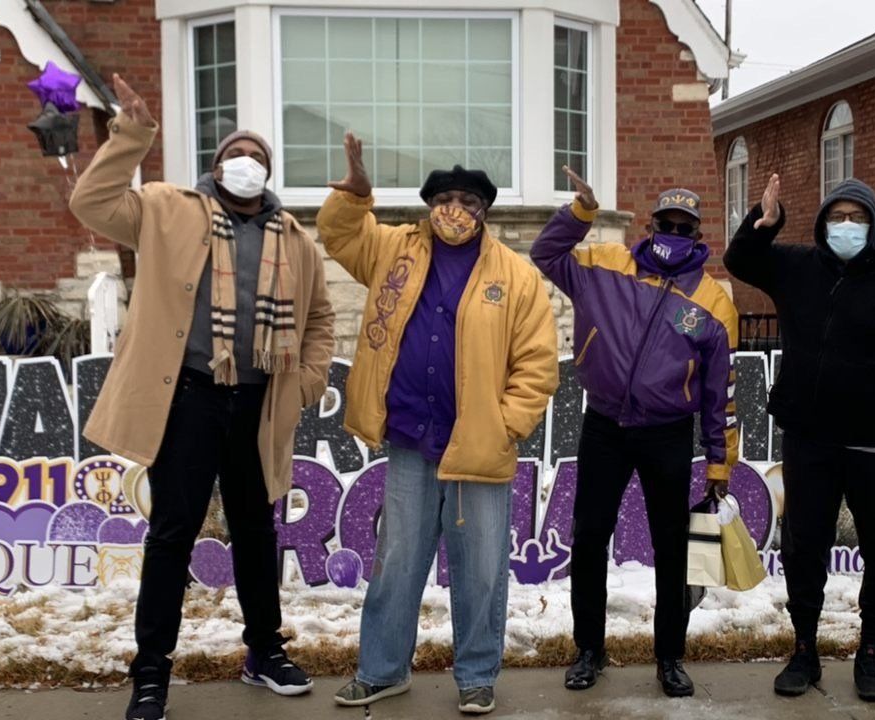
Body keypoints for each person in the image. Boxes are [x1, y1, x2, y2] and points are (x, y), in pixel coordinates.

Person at [69, 75, 335, 720]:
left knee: (253, 532)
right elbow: (92, 202)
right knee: (172, 535)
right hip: (186, 399)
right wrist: (131, 135)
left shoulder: (295, 241)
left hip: (257, 404)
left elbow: (321, 320)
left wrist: (304, 381)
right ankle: (152, 673)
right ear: (217, 166)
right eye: (236, 154)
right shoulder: (166, 208)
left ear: (269, 173)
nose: (247, 164)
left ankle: (264, 651)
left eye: (259, 158)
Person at [317, 133, 558, 715]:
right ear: (429, 206)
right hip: (410, 439)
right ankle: (380, 670)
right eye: (446, 198)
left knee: (480, 571)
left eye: (469, 201)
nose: (456, 210)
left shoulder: (515, 276)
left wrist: (506, 425)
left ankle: (477, 676)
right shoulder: (394, 250)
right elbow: (341, 233)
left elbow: (537, 362)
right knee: (396, 561)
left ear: (484, 212)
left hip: (479, 447)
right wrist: (353, 195)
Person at [724, 174, 875, 702]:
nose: (846, 226)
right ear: (823, 225)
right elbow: (741, 262)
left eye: (857, 217)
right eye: (836, 217)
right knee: (804, 550)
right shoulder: (800, 266)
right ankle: (804, 650)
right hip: (811, 442)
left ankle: (870, 653)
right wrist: (765, 221)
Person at [531, 168, 739, 698]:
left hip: (668, 433)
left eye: (683, 227)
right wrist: (581, 213)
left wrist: (720, 463)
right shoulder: (605, 264)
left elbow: (721, 395)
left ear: (698, 236)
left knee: (671, 548)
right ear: (649, 226)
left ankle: (670, 657)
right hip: (604, 424)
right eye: (665, 223)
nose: (673, 233)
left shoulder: (713, 304)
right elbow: (546, 255)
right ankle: (589, 650)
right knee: (590, 539)